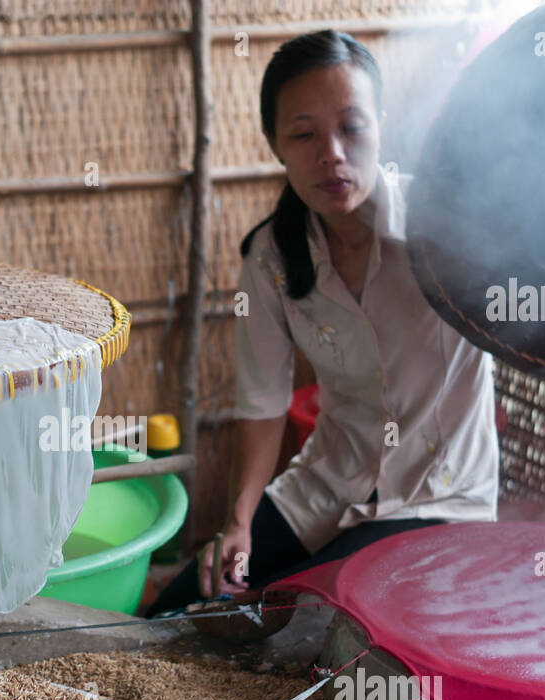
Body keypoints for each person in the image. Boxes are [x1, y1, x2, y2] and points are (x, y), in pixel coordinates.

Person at [146, 29, 498, 617]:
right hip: (324, 487)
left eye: (352, 127)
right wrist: (238, 522)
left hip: (439, 501)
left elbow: (526, 304)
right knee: (183, 608)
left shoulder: (446, 233)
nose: (331, 153)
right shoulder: (270, 259)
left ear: (381, 125)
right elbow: (261, 402)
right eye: (304, 134)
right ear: (274, 143)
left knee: (292, 613)